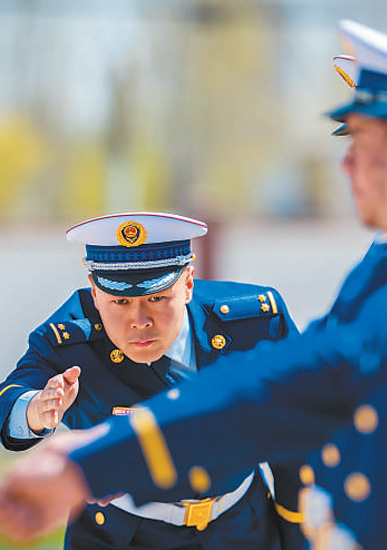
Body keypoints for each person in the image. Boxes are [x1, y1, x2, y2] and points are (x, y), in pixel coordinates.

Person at [1, 17, 387, 549]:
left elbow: (292, 392)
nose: (347, 164)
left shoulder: (269, 310)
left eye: (368, 142)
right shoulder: (382, 263)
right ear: (95, 295)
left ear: (189, 284)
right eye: (348, 142)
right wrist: (71, 446)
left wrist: (91, 465)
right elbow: (287, 390)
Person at [0, 212, 301, 550]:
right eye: (119, 302)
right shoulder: (71, 340)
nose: (139, 321)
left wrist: (297, 529)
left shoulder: (255, 324)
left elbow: (298, 437)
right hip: (120, 534)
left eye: (156, 298)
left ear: (187, 283)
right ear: (95, 294)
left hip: (239, 527)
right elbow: (12, 396)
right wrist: (36, 411)